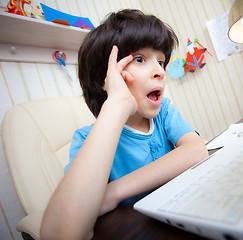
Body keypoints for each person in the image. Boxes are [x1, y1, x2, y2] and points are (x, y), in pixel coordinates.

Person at [40, 9, 208, 239]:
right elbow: (61, 233)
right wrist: (117, 103)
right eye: (140, 59)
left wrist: (113, 192)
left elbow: (196, 150)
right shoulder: (87, 139)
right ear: (106, 79)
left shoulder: (163, 113)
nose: (160, 71)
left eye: (161, 61)